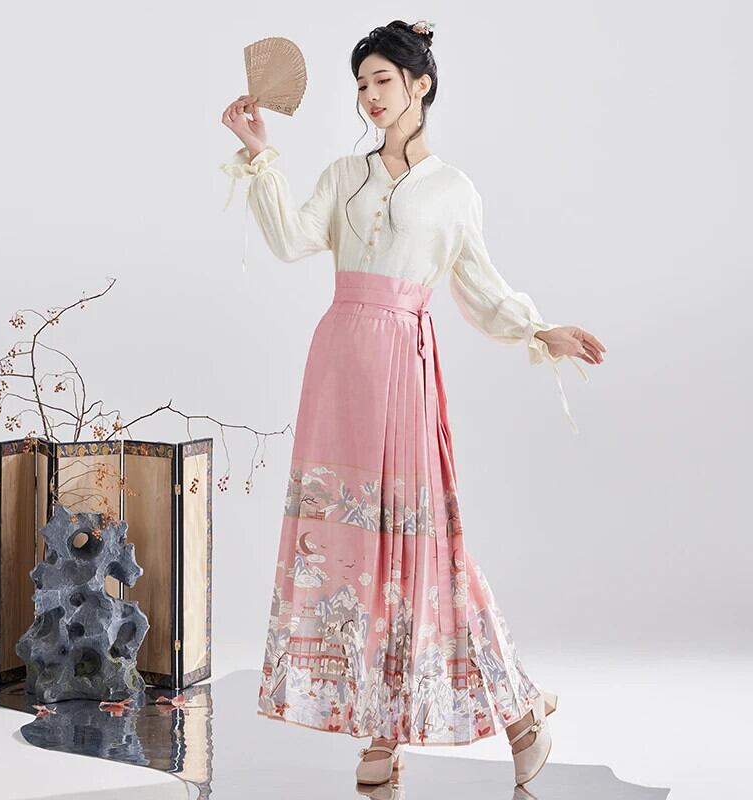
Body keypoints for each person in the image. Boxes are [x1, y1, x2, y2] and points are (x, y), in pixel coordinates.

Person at [220, 18, 606, 789]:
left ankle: (506, 714)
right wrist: (260, 152)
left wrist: (539, 329)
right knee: (347, 549)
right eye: (361, 84)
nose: (370, 96)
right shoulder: (344, 175)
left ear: (420, 84)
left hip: (404, 367)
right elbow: (292, 241)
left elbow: (481, 286)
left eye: (383, 81)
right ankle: (388, 728)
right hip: (339, 366)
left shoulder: (453, 191)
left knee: (423, 552)